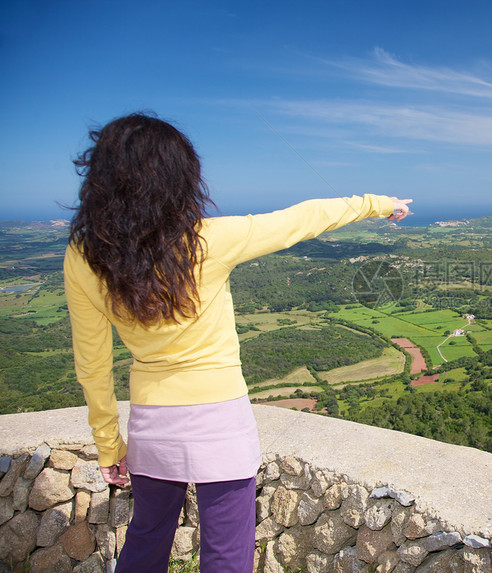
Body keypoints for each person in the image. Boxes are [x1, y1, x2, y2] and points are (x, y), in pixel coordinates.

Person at [64, 112, 412, 572]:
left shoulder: (85, 258)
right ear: (178, 178)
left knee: (146, 541)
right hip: (221, 420)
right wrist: (377, 203)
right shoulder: (207, 241)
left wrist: (109, 444)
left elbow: (92, 365)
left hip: (152, 426)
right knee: (227, 555)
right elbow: (301, 220)